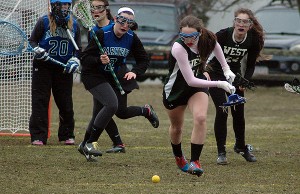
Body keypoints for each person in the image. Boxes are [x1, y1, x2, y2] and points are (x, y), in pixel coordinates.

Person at [79, 7, 159, 161]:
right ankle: (90, 143)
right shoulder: (102, 34)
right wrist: (98, 60)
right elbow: (85, 59)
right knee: (111, 105)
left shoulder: (131, 37)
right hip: (94, 76)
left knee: (114, 112)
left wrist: (135, 71)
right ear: (115, 19)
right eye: (122, 20)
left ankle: (84, 145)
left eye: (129, 22)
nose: (125, 25)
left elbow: (143, 59)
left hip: (114, 75)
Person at [163, 15, 236, 176]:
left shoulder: (207, 38)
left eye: (192, 36)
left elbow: (216, 46)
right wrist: (219, 83)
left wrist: (226, 69)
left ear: (200, 32)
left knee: (200, 118)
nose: (188, 40)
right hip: (176, 90)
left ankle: (195, 161)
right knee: (176, 128)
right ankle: (179, 157)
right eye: (184, 36)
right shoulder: (178, 48)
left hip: (198, 86)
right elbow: (189, 80)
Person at [207, 8, 266, 164]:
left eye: (245, 22)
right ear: (234, 23)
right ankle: (221, 152)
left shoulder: (253, 39)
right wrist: (204, 72)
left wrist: (244, 80)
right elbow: (205, 53)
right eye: (238, 20)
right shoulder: (222, 35)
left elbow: (251, 65)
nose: (241, 24)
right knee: (222, 110)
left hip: (234, 75)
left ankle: (240, 146)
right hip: (215, 74)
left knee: (239, 112)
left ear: (250, 25)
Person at [29, 0, 81, 145]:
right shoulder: (44, 21)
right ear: (54, 6)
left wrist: (75, 60)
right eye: (61, 5)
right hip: (43, 65)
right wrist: (37, 50)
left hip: (63, 67)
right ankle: (39, 136)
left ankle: (66, 134)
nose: (65, 8)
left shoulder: (74, 24)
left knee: (65, 102)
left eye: (67, 5)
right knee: (40, 100)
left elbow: (78, 49)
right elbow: (32, 40)